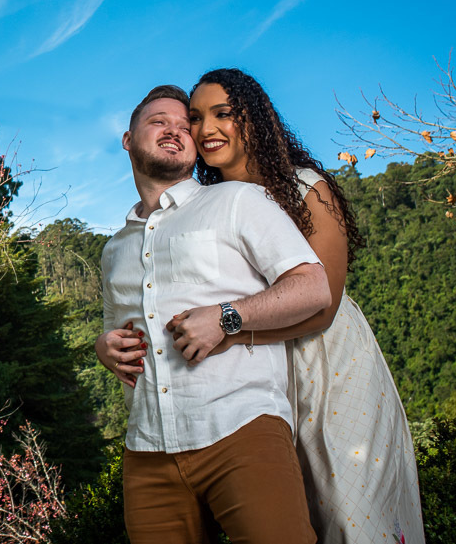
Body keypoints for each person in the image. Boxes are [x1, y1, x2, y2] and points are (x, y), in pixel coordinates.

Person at [186, 67, 424, 544]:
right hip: (250, 378)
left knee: (349, 508)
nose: (206, 129)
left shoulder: (305, 187)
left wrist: (228, 328)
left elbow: (324, 307)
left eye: (222, 114)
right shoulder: (203, 207)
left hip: (329, 361)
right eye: (195, 118)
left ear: (253, 120)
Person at [96, 84, 331, 544]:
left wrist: (227, 316)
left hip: (241, 428)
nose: (175, 131)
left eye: (185, 126)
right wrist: (104, 347)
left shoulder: (237, 201)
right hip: (146, 450)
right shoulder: (113, 250)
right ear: (128, 139)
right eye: (159, 121)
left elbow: (313, 287)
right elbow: (113, 331)